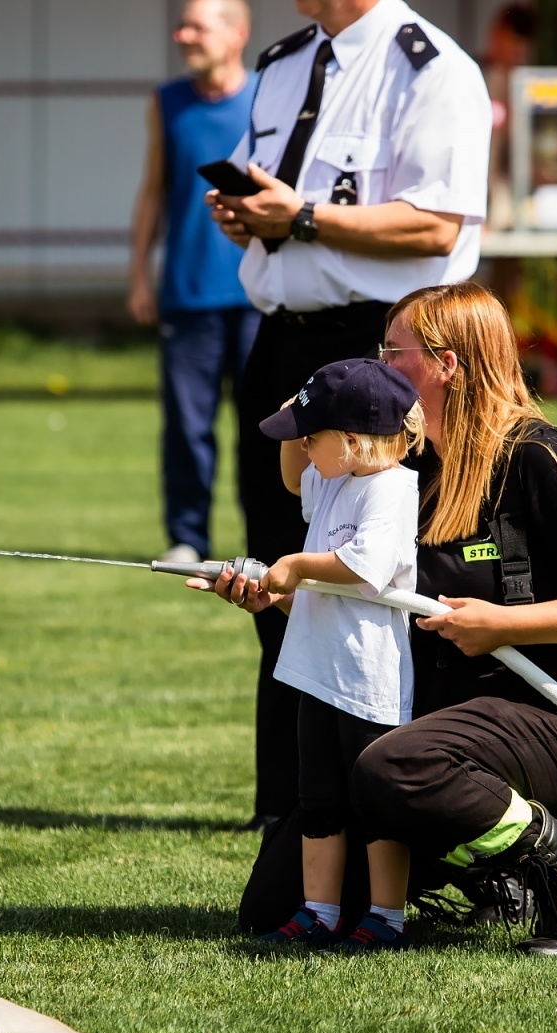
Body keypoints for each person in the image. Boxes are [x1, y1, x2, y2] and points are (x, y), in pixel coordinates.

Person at [218, 282, 557, 954]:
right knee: (275, 903)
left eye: (391, 352)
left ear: (446, 364)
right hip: (429, 711)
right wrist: (274, 592)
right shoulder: (403, 469)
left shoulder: (542, 458)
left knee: (391, 767)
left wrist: (504, 625)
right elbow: (367, 586)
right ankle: (491, 872)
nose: (378, 365)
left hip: (549, 713)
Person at [208, 0, 492, 830]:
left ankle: (392, 796)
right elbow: (276, 206)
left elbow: (438, 223)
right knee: (276, 574)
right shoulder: (284, 60)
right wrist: (248, 217)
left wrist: (298, 217)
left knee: (382, 579)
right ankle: (294, 803)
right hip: (281, 347)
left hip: (380, 357)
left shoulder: (430, 67)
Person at [244, 358, 423, 951]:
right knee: (318, 797)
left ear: (350, 442)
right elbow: (295, 477)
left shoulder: (393, 489)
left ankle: (385, 917)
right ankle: (318, 912)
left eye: (311, 435)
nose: (301, 445)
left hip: (366, 679)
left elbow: (363, 568)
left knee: (375, 803)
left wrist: (293, 566)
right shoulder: (332, 477)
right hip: (315, 672)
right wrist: (295, 421)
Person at [128, 0, 261, 567]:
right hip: (186, 291)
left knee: (265, 427)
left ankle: (269, 539)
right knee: (186, 427)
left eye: (197, 27)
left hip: (260, 291)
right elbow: (153, 188)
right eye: (182, 26)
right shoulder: (167, 102)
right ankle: (188, 538)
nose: (183, 35)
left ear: (237, 34)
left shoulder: (269, 99)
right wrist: (139, 273)